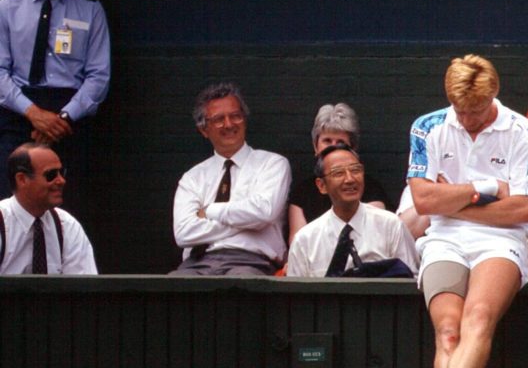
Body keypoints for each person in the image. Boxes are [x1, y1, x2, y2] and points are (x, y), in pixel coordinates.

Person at [407, 55, 528, 368]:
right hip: (443, 240)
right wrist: (482, 191)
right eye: (460, 110)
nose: (467, 119)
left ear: (494, 94)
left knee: (479, 316)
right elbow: (423, 201)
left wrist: (452, 201)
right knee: (448, 330)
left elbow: (523, 209)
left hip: (501, 242)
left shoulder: (522, 131)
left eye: (476, 110)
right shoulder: (427, 127)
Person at [0, 0, 111, 220]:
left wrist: (61, 119)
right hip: (19, 115)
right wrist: (34, 114)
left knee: (68, 208)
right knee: (9, 206)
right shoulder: (9, 7)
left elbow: (98, 75)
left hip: (70, 118)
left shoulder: (89, 8)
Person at [170, 82, 291, 276]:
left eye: (235, 116)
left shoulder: (273, 164)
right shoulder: (192, 178)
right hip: (196, 264)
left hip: (251, 262)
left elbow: (264, 211)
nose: (229, 124)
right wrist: (246, 223)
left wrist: (210, 211)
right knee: (172, 288)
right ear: (204, 129)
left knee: (241, 288)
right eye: (219, 119)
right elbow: (184, 233)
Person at [285, 144, 417, 277]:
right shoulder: (305, 240)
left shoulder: (390, 225)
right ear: (322, 186)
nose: (349, 179)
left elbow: (410, 280)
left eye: (355, 170)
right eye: (338, 173)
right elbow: (295, 295)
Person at [287, 103, 389, 246]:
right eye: (327, 141)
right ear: (315, 146)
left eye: (341, 142)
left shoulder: (371, 189)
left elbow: (375, 237)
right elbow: (297, 245)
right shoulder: (302, 192)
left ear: (353, 148)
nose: (333, 147)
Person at [0, 143, 97, 274]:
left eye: (62, 172)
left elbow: (83, 288)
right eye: (51, 175)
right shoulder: (2, 223)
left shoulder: (66, 226)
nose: (61, 180)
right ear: (22, 179)